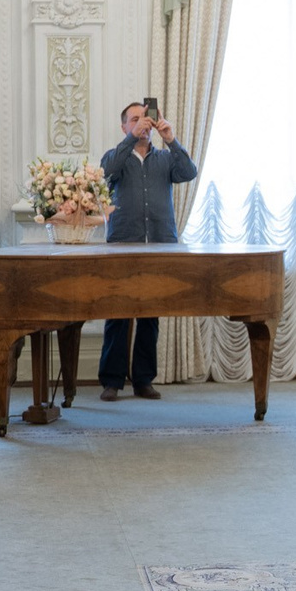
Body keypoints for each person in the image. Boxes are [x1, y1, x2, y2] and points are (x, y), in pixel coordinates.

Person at [96, 101, 199, 402]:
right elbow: (105, 172)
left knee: (150, 315)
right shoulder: (115, 156)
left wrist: (171, 139)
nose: (142, 123)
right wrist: (131, 140)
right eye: (134, 119)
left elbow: (189, 172)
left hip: (159, 244)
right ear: (124, 127)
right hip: (122, 245)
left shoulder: (166, 159)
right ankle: (112, 381)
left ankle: (143, 380)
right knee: (118, 313)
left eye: (146, 117)